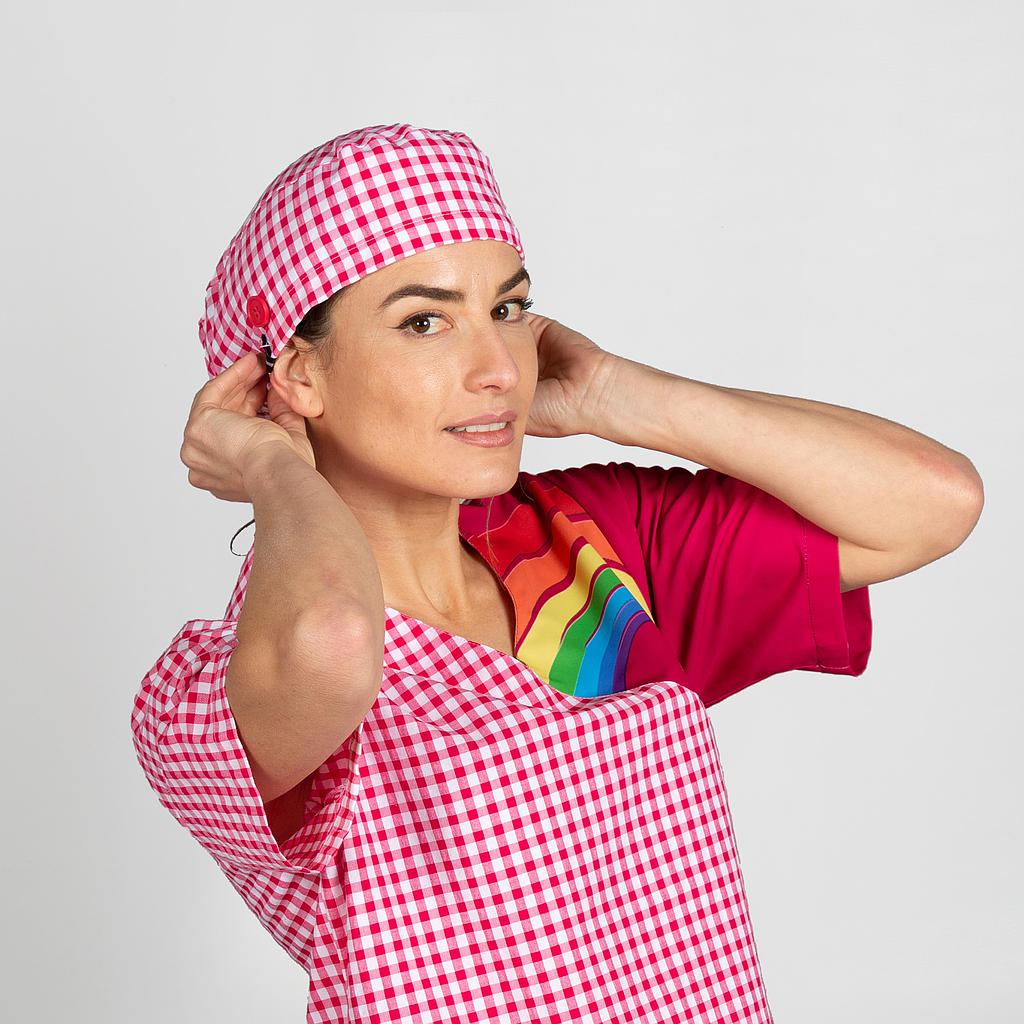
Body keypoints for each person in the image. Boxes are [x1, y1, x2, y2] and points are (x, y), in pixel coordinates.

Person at [129, 124, 979, 1023]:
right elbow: (337, 640)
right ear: (298, 374)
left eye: (508, 310)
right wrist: (272, 466)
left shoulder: (588, 550)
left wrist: (614, 392)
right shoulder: (222, 689)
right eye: (424, 322)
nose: (499, 369)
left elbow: (934, 501)